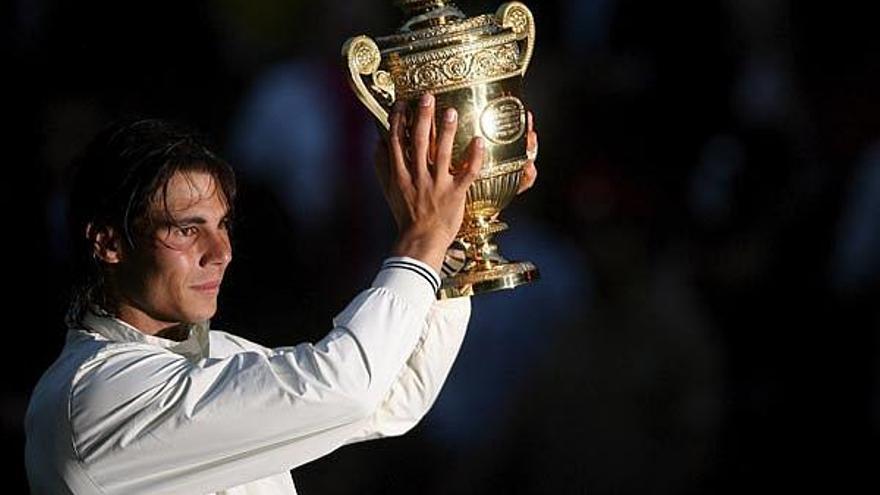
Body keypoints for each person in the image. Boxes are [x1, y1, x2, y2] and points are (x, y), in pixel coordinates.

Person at [24, 93, 539, 494]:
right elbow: (344, 386)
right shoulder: (91, 396)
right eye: (186, 229)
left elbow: (389, 396)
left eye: (222, 224)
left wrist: (454, 236)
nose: (220, 251)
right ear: (109, 242)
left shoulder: (217, 357)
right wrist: (421, 239)